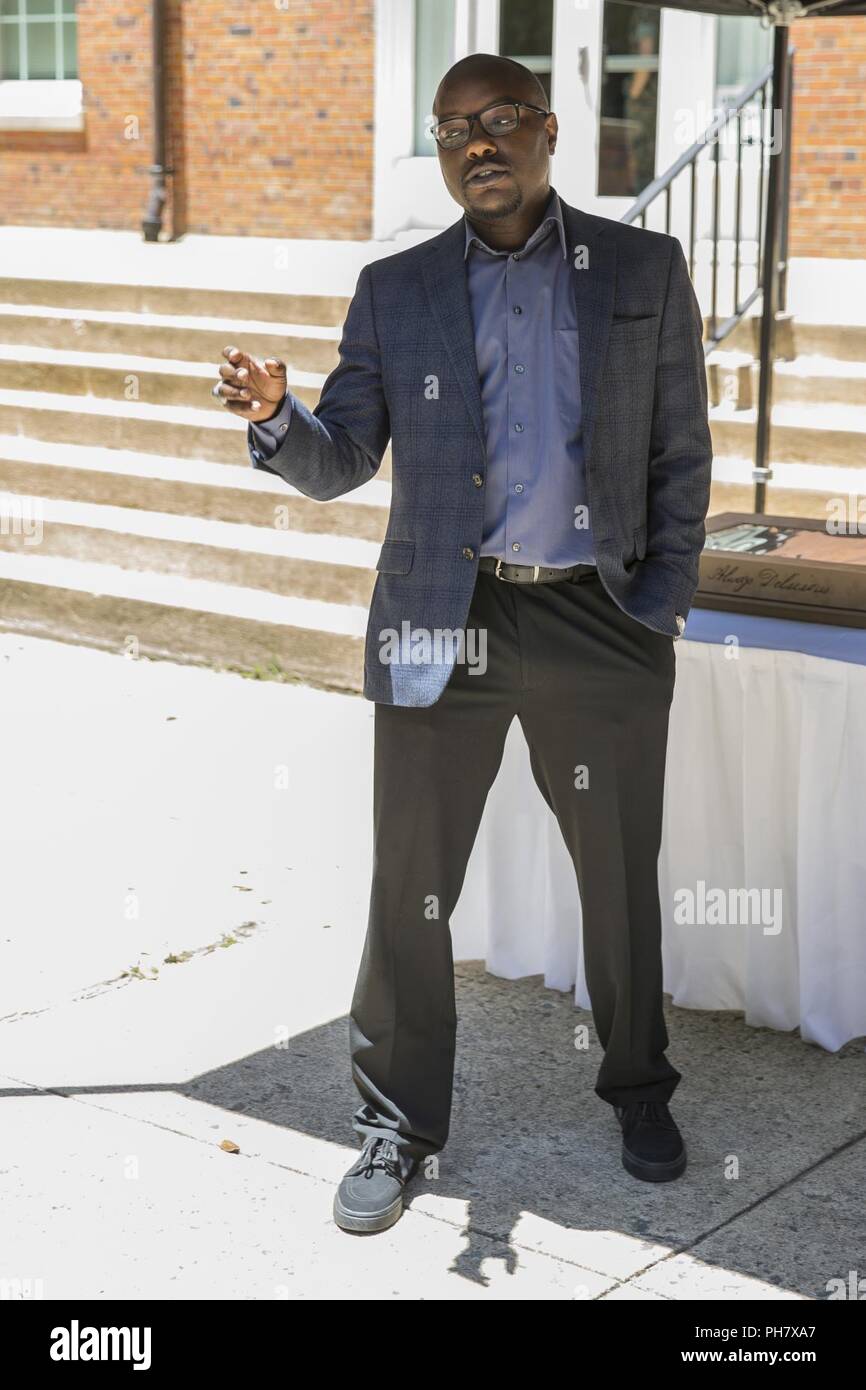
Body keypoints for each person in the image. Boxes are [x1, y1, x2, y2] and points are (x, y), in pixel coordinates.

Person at [213, 52, 713, 1235]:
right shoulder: (398, 288)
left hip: (600, 619)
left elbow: (679, 453)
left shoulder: (640, 268)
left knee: (618, 881)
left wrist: (662, 597)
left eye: (496, 123)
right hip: (450, 618)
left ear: (546, 130)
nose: (474, 146)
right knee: (411, 890)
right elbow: (344, 457)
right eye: (450, 133)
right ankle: (395, 1122)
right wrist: (281, 418)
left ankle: (638, 1087)